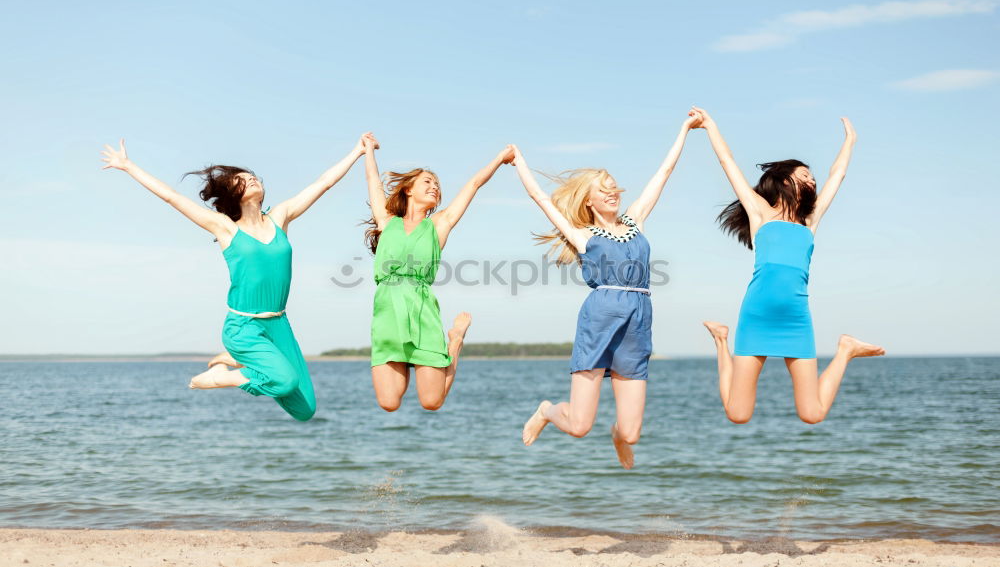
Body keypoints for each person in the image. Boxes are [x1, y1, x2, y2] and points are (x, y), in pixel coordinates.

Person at [99, 133, 374, 420]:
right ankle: (222, 376)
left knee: (305, 410)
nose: (252, 179)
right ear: (233, 194)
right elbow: (172, 197)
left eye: (253, 177)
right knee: (284, 381)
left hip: (279, 323)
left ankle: (235, 361)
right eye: (242, 180)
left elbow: (324, 183)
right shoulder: (226, 229)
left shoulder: (280, 218)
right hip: (243, 327)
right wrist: (128, 166)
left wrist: (357, 151)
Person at [517, 114, 700, 469]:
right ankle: (547, 410)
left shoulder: (635, 220)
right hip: (600, 319)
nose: (612, 192)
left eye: (614, 186)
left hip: (639, 317)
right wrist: (519, 162)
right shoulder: (583, 236)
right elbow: (541, 198)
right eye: (603, 189)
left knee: (631, 433)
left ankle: (617, 437)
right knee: (580, 426)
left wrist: (684, 131)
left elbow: (663, 174)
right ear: (588, 201)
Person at [691, 106, 885, 425]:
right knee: (737, 414)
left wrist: (850, 141)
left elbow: (838, 175)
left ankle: (846, 349)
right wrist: (710, 126)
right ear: (784, 179)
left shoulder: (810, 220)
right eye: (805, 174)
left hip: (796, 318)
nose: (812, 180)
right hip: (757, 314)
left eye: (812, 177)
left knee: (813, 413)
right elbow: (728, 163)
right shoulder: (760, 213)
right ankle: (722, 340)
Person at [363, 136, 514, 411]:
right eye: (427, 182)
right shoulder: (386, 221)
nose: (434, 187)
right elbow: (373, 182)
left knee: (431, 402)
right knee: (388, 403)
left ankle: (455, 341)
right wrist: (368, 151)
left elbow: (474, 184)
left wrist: (499, 159)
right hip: (387, 313)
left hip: (422, 311)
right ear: (408, 190)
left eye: (437, 185)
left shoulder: (439, 224)